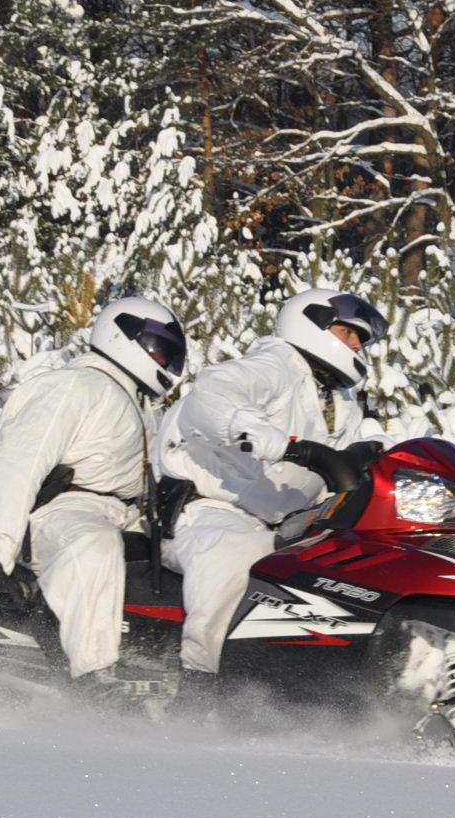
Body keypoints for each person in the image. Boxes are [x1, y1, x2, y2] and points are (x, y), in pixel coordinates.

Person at [156, 287, 392, 710]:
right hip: (211, 509)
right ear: (312, 325)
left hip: (289, 521)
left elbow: (363, 444)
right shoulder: (276, 364)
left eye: (361, 337)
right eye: (347, 332)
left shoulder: (339, 397)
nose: (357, 345)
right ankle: (197, 691)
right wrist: (254, 430)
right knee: (237, 562)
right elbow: (213, 393)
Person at [0, 296, 186, 708]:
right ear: (122, 336)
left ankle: (188, 670)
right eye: (158, 348)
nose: (164, 360)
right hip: (64, 510)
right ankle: (93, 675)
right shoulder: (73, 386)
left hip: (124, 514)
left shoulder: (134, 399)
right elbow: (18, 463)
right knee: (93, 545)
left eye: (169, 353)